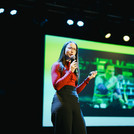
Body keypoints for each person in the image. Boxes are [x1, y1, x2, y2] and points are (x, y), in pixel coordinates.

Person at [51, 41, 97, 134]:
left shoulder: (75, 69)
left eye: (74, 49)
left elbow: (75, 90)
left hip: (74, 103)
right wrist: (69, 71)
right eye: (70, 48)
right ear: (64, 50)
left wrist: (88, 79)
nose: (72, 51)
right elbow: (57, 86)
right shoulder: (57, 65)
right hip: (62, 102)